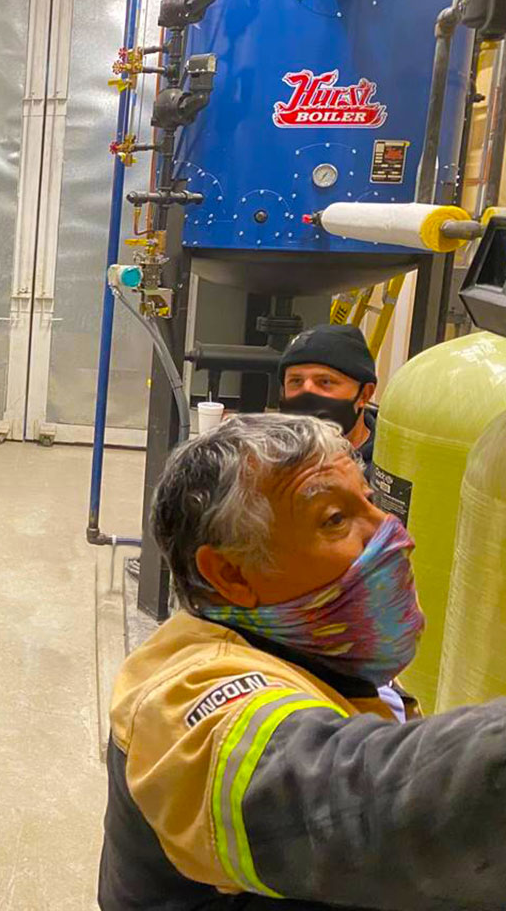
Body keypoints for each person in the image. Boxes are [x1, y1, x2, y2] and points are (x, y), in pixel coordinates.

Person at [99, 414, 506, 911]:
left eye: (371, 503)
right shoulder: (183, 697)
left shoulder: (326, 655)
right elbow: (362, 800)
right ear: (231, 572)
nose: (394, 534)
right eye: (335, 519)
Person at [277, 323, 377, 467]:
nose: (307, 392)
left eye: (325, 381)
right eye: (296, 381)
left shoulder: (391, 468)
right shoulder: (267, 459)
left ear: (364, 394)